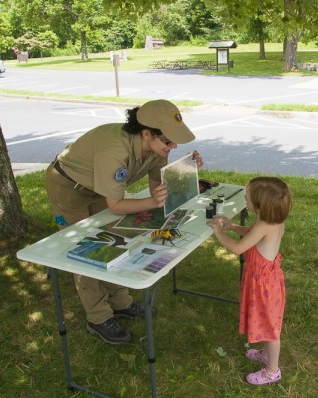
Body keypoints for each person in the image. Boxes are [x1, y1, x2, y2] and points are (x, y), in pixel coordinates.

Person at [45, 99, 204, 345]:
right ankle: (98, 317)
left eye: (175, 141)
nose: (172, 146)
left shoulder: (156, 148)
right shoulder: (115, 150)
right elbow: (117, 205)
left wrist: (185, 170)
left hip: (100, 188)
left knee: (114, 242)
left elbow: (156, 188)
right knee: (85, 249)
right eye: (168, 141)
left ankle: (120, 303)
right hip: (70, 187)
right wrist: (151, 202)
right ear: (146, 134)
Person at [206, 177, 292, 385]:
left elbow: (237, 249)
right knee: (266, 321)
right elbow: (252, 234)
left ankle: (272, 371)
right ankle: (265, 354)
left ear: (260, 204)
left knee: (271, 329)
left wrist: (218, 232)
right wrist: (233, 226)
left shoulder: (264, 224)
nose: (245, 199)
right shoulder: (271, 221)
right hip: (265, 281)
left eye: (247, 198)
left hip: (264, 285)